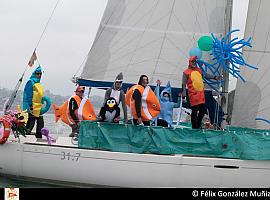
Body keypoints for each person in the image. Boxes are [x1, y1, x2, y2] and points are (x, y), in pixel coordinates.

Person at [182, 56, 221, 129]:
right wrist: (183, 96)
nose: (194, 63)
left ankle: (198, 123)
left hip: (200, 94)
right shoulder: (186, 72)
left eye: (195, 62)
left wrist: (215, 77)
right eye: (192, 61)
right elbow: (184, 84)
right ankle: (195, 126)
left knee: (202, 111)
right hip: (193, 94)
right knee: (194, 111)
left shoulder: (198, 70)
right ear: (190, 62)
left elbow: (205, 75)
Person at [23, 66, 45, 138]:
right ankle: (26, 135)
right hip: (31, 105)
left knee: (40, 120)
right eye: (37, 73)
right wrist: (30, 105)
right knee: (31, 120)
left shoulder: (38, 83)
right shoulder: (30, 82)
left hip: (37, 105)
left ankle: (39, 136)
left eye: (40, 74)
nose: (39, 75)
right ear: (34, 73)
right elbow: (29, 94)